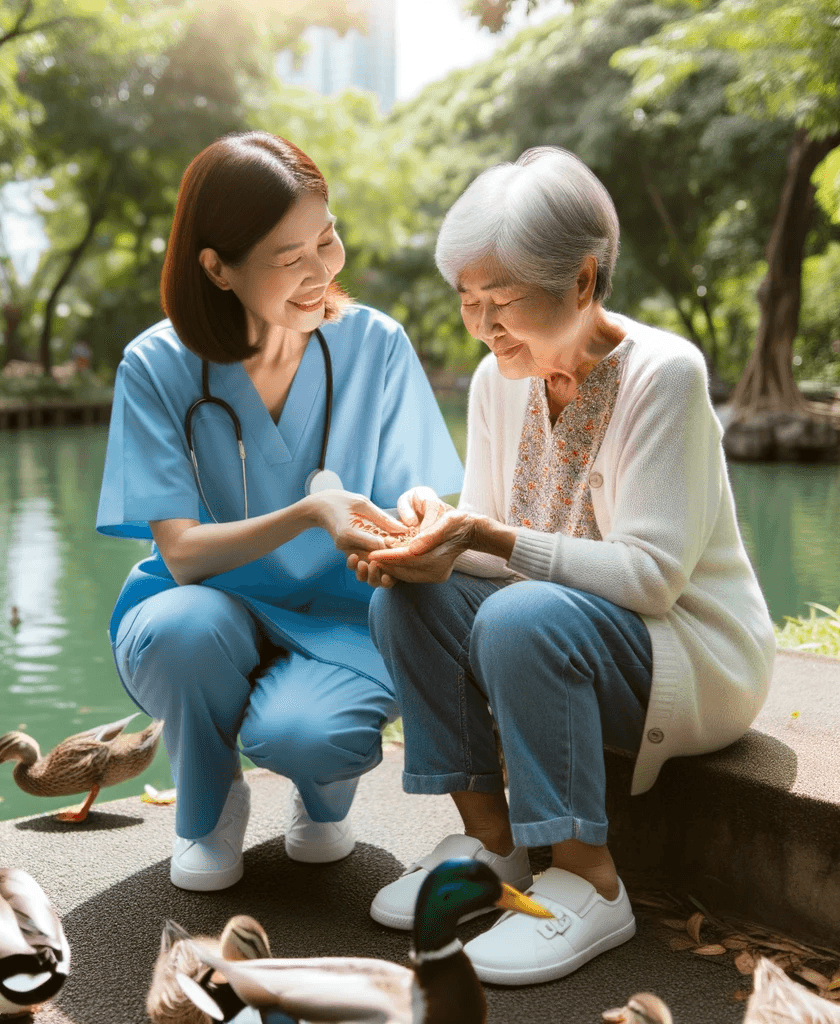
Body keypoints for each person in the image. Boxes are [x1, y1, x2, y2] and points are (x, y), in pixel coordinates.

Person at [350, 147, 775, 985]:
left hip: (690, 656)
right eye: (469, 301)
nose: (483, 324)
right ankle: (492, 845)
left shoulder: (667, 376)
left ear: (583, 282)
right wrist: (428, 549)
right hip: (557, 639)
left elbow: (652, 578)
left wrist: (492, 539)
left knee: (520, 613)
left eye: (502, 300)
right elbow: (483, 550)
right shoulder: (494, 380)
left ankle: (587, 880)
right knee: (405, 604)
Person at [95, 131, 463, 892]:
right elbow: (184, 553)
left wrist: (419, 518)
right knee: (183, 632)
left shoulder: (377, 346)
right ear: (218, 268)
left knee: (305, 734)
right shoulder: (157, 366)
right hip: (203, 602)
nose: (321, 271)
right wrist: (309, 512)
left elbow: (411, 499)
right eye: (288, 258)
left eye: (326, 240)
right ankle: (208, 804)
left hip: (344, 612)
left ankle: (323, 800)